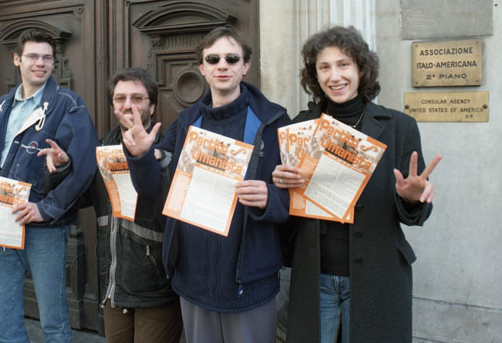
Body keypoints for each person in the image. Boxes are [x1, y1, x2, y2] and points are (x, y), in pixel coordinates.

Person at [116, 27, 291, 343]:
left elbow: (297, 195)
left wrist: (270, 197)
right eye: (213, 59)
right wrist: (141, 156)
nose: (222, 65)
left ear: (245, 66)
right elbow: (152, 190)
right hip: (194, 278)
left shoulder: (274, 121)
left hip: (249, 280)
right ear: (202, 67)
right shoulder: (186, 122)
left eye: (231, 58)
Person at [272, 26, 442, 343]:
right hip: (315, 276)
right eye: (325, 67)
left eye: (343, 64)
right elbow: (285, 209)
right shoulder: (300, 127)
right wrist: (280, 183)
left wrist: (411, 198)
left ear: (361, 69)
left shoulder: (399, 127)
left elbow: (415, 215)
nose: (335, 76)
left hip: (377, 275)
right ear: (315, 75)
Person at [0, 28, 99, 342]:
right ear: (17, 59)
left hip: (44, 227)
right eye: (33, 56)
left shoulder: (68, 104)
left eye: (47, 58)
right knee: (4, 324)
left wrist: (47, 208)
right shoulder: (3, 106)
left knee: (54, 324)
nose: (40, 63)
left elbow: (85, 166)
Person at [44, 68, 183, 343]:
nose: (128, 105)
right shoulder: (101, 151)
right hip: (113, 284)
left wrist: (150, 160)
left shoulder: (170, 151)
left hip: (156, 287)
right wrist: (63, 168)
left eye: (137, 98)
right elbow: (80, 198)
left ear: (152, 106)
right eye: (120, 98)